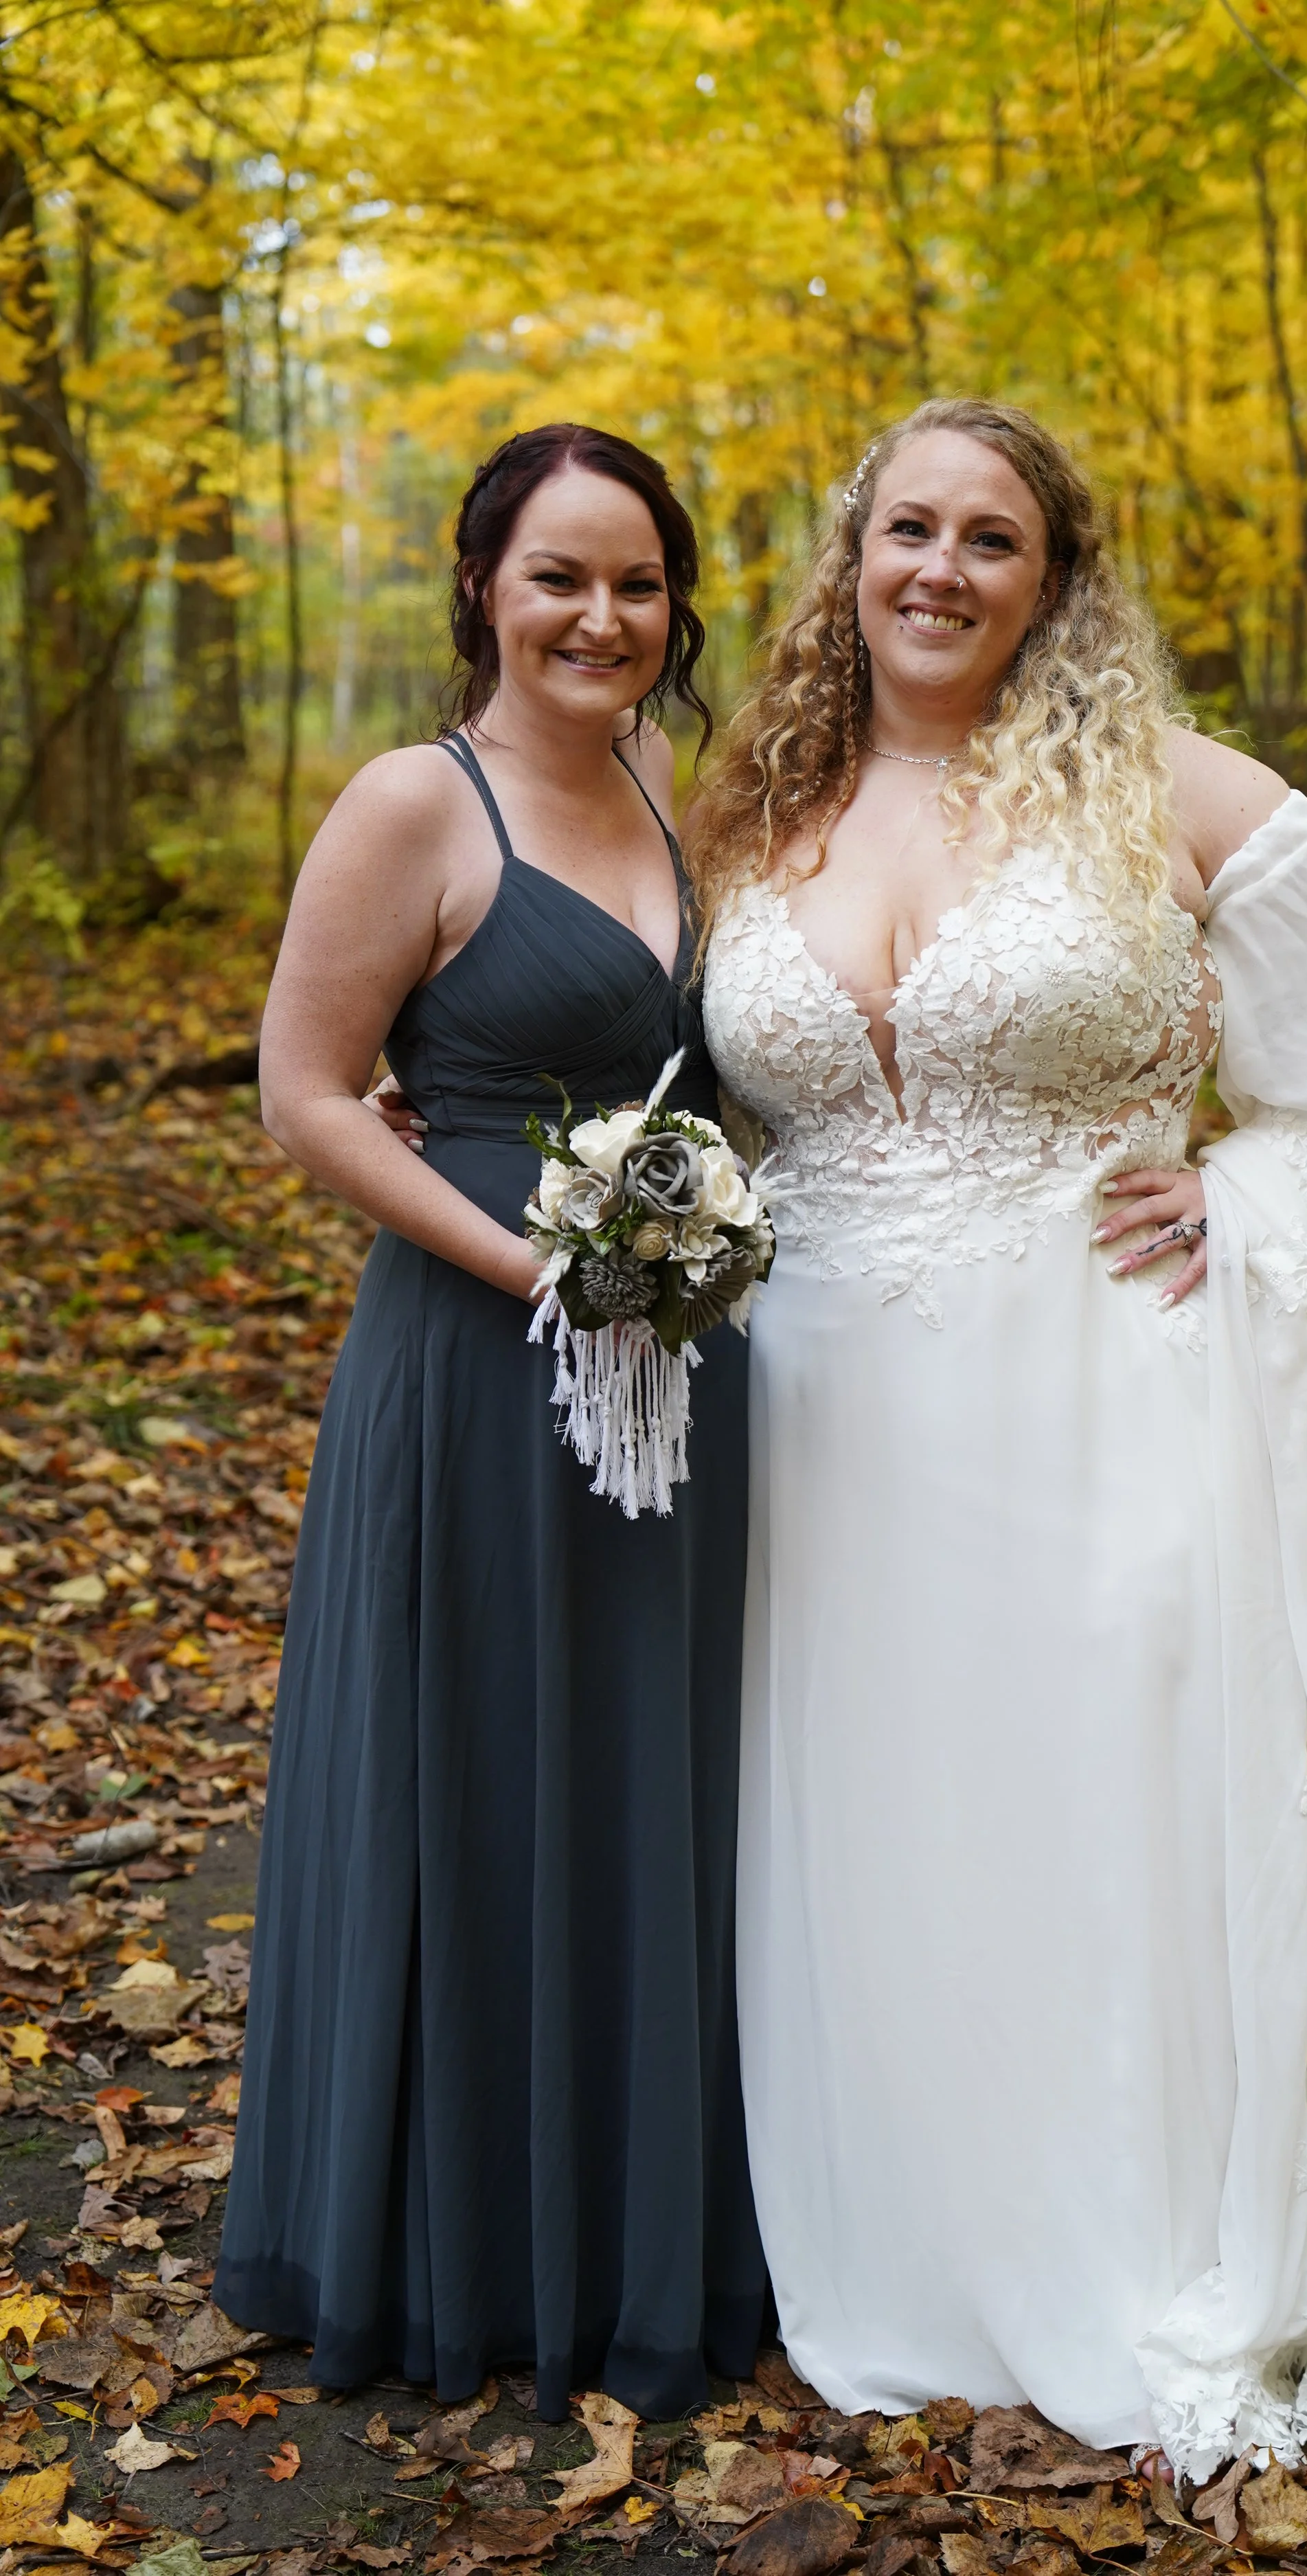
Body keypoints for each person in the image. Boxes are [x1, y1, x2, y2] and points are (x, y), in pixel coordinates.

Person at [685, 398, 1307, 2474]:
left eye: (991, 538)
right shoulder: (760, 809)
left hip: (1105, 1386)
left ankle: (1129, 2235)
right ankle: (905, 2245)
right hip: (822, 1426)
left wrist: (1245, 1182)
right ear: (851, 556)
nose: (939, 569)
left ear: (1053, 581)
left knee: (1107, 1792)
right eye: (907, 528)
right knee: (877, 1821)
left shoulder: (1163, 789)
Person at [216, 424, 765, 2419]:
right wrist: (538, 1269)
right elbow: (302, 1092)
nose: (601, 616)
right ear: (482, 588)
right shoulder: (411, 803)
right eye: (559, 576)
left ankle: (645, 2225)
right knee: (481, 1772)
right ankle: (465, 2242)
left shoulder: (683, 792)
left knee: (649, 1777)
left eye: (637, 583)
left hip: (680, 1373)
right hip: (479, 1365)